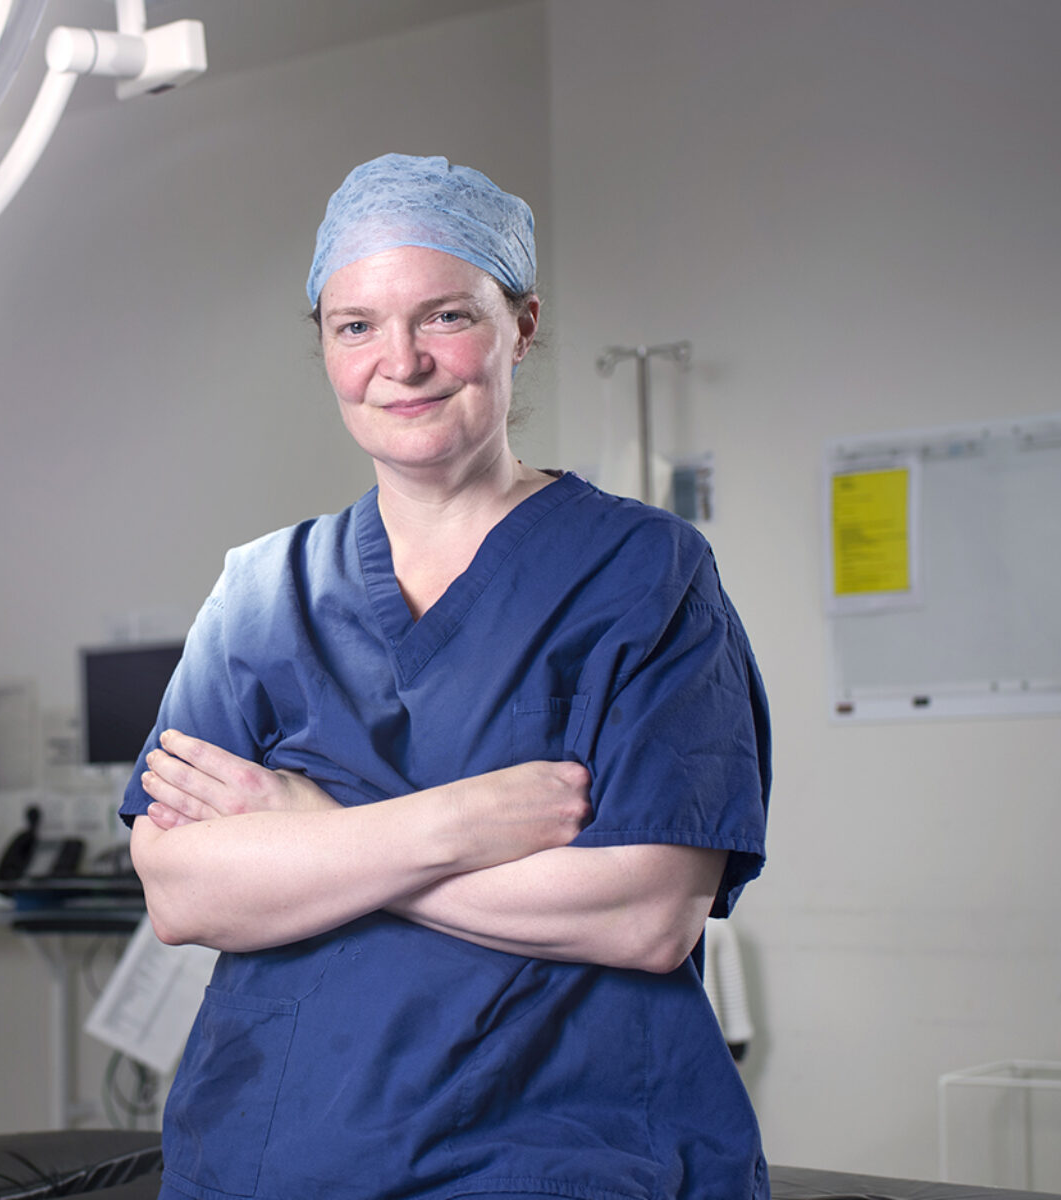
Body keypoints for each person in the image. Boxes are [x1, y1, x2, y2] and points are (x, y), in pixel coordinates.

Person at [119, 154, 773, 1200]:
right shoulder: (259, 595)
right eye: (357, 326)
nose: (403, 361)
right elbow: (182, 891)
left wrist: (308, 834)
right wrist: (454, 823)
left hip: (561, 1158)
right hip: (265, 1158)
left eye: (446, 316)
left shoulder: (645, 574)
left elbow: (646, 917)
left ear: (519, 325)